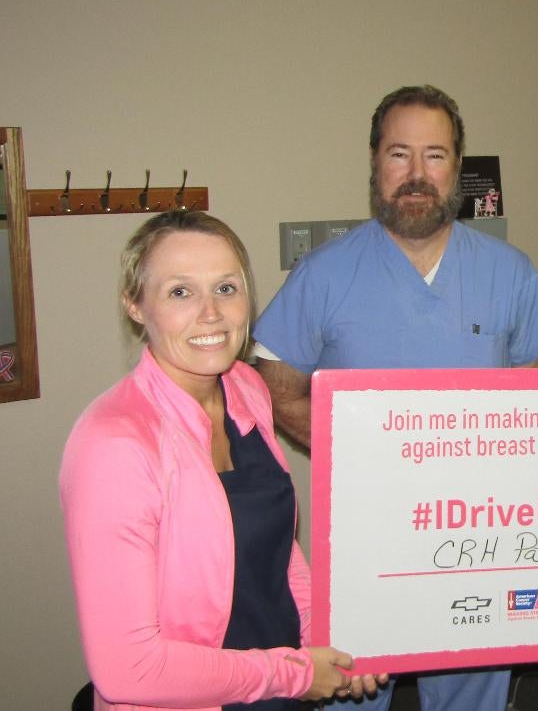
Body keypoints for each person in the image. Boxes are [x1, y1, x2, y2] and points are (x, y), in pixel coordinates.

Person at [252, 85, 538, 711]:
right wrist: (376, 459)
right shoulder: (324, 274)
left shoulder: (510, 273)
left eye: (436, 155)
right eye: (400, 155)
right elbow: (277, 387)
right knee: (353, 687)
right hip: (366, 539)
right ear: (374, 163)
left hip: (480, 536)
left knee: (471, 693)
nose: (417, 175)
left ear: (458, 166)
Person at [60, 210, 386, 711]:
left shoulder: (246, 387)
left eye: (227, 288)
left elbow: (281, 557)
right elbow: (129, 669)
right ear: (135, 305)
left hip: (277, 691)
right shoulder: (114, 444)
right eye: (180, 292)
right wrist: (293, 674)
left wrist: (332, 642)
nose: (211, 313)